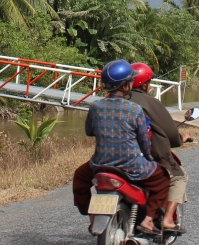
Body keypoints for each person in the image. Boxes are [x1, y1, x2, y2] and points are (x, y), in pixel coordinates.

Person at [71, 59, 172, 235]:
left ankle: (92, 216)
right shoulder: (134, 109)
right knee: (163, 179)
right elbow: (144, 142)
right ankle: (148, 220)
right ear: (125, 85)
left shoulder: (95, 106)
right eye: (130, 81)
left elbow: (89, 131)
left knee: (80, 178)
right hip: (131, 166)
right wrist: (148, 157)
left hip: (100, 164)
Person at [128, 62, 192, 233]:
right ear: (146, 84)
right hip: (149, 158)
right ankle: (168, 219)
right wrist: (180, 138)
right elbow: (170, 133)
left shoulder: (114, 100)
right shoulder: (150, 103)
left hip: (112, 159)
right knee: (179, 177)